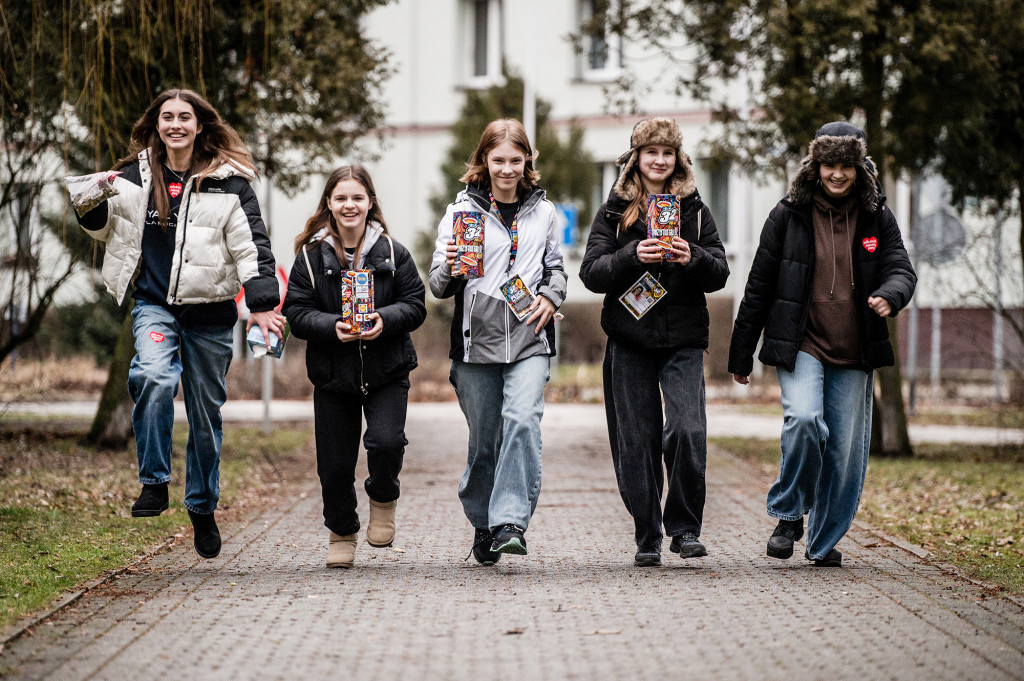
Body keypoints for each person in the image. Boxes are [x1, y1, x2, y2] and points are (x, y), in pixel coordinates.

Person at [74, 89, 286, 559]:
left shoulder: (229, 183)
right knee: (151, 375)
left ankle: (202, 508)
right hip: (154, 305)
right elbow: (102, 229)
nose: (175, 124)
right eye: (167, 117)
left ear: (199, 126)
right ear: (156, 125)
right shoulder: (131, 178)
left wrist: (262, 300)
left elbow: (253, 245)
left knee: (205, 417)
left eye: (184, 117)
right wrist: (88, 205)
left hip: (209, 314)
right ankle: (154, 482)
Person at [728, 121, 917, 567]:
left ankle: (823, 540)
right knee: (805, 420)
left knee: (844, 453)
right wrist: (741, 353)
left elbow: (901, 269)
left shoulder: (877, 216)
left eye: (846, 165)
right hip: (802, 343)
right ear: (816, 166)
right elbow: (758, 287)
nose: (837, 174)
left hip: (854, 349)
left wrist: (890, 295)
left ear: (859, 167)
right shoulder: (788, 214)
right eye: (829, 164)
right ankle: (790, 513)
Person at [579, 117, 730, 567]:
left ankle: (684, 529)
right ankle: (648, 533)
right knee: (636, 440)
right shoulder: (613, 211)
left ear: (677, 158)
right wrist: (631, 255)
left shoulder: (695, 210)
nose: (659, 160)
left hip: (683, 338)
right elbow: (590, 273)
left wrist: (693, 255)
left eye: (667, 152)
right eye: (651, 152)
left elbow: (720, 271)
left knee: (687, 428)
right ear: (636, 159)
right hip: (629, 338)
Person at [429, 118, 567, 565]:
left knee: (523, 420)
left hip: (529, 335)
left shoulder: (545, 212)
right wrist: (451, 265)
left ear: (528, 160)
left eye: (515, 159)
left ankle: (510, 522)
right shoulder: (460, 214)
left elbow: (557, 268)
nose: (507, 169)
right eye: (498, 160)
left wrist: (550, 296)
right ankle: (483, 522)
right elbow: (437, 286)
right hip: (476, 343)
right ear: (483, 161)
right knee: (484, 442)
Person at [282, 165, 426, 569]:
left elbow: (416, 304)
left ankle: (383, 499)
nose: (349, 205)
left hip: (387, 371)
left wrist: (385, 319)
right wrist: (331, 327)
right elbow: (295, 310)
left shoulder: (394, 254)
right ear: (328, 203)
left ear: (370, 203)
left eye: (357, 198)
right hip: (333, 375)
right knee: (335, 465)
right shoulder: (310, 258)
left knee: (386, 442)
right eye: (341, 198)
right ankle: (342, 531)